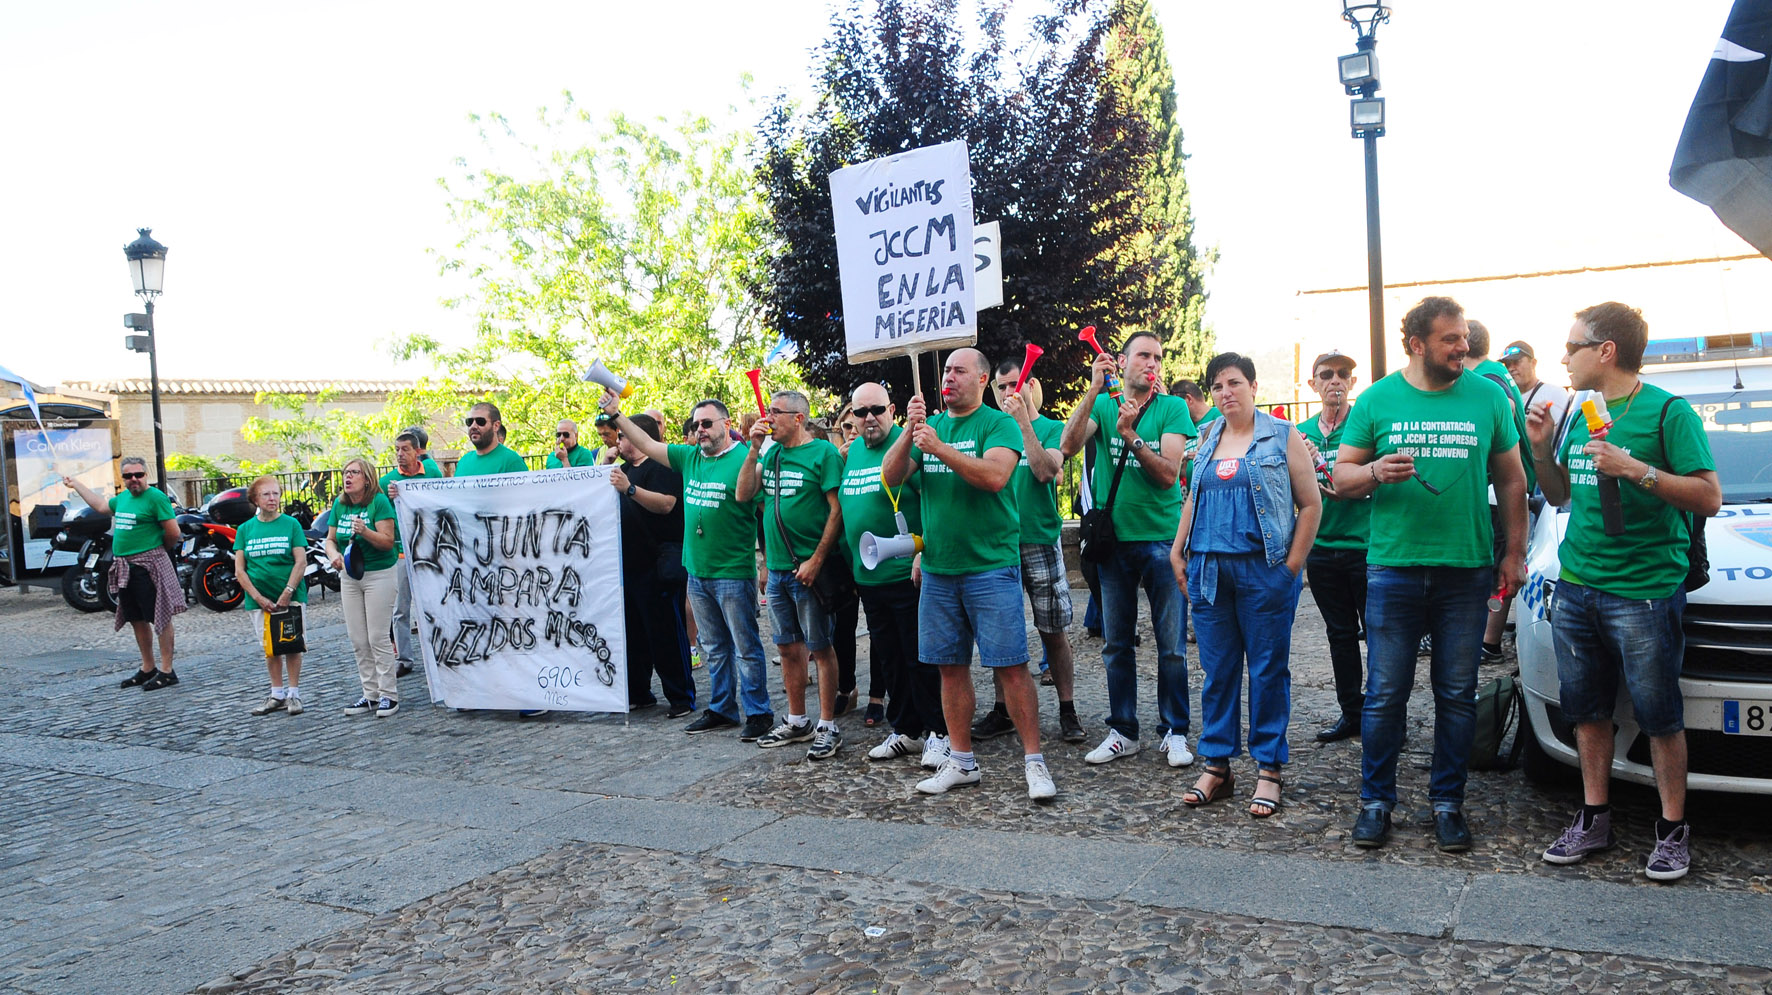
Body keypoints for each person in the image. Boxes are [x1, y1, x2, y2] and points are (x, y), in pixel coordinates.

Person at [1528, 302, 1719, 882]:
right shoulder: (1577, 412)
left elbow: (1709, 497)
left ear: (1605, 350)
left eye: (1573, 346)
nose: (1564, 357)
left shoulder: (1668, 412)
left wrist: (1634, 468)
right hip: (1579, 586)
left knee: (1660, 715)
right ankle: (1594, 816)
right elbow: (1561, 492)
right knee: (1587, 711)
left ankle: (1671, 829)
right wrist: (1539, 447)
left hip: (1645, 593)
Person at [1333, 296, 1528, 852]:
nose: (1462, 346)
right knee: (1385, 693)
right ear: (1418, 344)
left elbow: (1513, 482)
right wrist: (1372, 470)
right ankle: (1376, 802)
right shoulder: (1377, 399)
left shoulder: (1489, 397)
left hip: (1465, 572)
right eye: (1450, 339)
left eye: (1463, 336)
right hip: (1393, 568)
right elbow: (1342, 478)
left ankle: (1448, 803)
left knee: (1457, 693)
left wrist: (1513, 553)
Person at [884, 347, 1057, 801]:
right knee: (949, 669)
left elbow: (996, 476)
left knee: (1012, 669)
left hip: (990, 567)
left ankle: (1034, 763)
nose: (949, 377)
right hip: (940, 570)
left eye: (959, 370)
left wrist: (938, 447)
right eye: (945, 370)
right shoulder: (931, 426)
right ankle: (961, 761)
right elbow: (891, 476)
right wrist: (908, 432)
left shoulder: (998, 424)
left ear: (982, 380)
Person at [1169, 353, 1320, 816]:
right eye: (1216, 386)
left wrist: (1290, 569)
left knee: (1268, 671)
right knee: (1217, 672)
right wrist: (1178, 550)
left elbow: (1311, 505)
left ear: (1253, 386)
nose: (1225, 393)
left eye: (1233, 383)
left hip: (1264, 570)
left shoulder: (1283, 435)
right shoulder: (1207, 436)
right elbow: (1194, 496)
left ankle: (1269, 769)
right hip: (1210, 571)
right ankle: (1217, 766)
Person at [1059, 330, 1198, 769]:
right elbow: (1067, 446)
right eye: (1143, 356)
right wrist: (1092, 390)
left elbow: (1167, 474)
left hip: (1162, 541)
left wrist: (1131, 436)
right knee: (1116, 643)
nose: (1152, 364)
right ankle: (1123, 731)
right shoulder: (1102, 402)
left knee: (1171, 645)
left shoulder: (1172, 408)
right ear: (1122, 361)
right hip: (1115, 544)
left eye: (1158, 357)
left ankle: (1174, 731)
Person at [605, 392, 772, 739]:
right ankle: (723, 709)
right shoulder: (690, 457)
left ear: (726, 425)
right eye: (696, 425)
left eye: (707, 424)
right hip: (696, 571)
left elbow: (761, 512)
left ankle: (758, 712)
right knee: (713, 647)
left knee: (745, 647)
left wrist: (768, 562)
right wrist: (617, 415)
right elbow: (648, 444)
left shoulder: (746, 458)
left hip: (732, 572)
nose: (701, 431)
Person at [972, 353, 1085, 745]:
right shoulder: (988, 431)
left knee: (1053, 629)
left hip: (1039, 540)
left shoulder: (1053, 429)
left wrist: (1022, 422)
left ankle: (1068, 709)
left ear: (1032, 385)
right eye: (1001, 387)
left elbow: (1045, 471)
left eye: (1015, 384)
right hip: (997, 544)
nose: (1008, 392)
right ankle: (1002, 710)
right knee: (1001, 633)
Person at [839, 382, 949, 767]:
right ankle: (905, 728)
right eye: (861, 412)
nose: (869, 418)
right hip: (869, 578)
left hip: (906, 572)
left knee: (920, 657)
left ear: (892, 410)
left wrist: (924, 550)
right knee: (889, 659)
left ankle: (939, 731)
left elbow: (934, 501)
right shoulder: (851, 451)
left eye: (877, 410)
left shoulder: (906, 446)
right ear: (851, 417)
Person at [737, 390, 848, 760]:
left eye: (776, 413)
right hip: (781, 570)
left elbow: (837, 510)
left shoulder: (823, 454)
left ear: (798, 418)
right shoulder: (772, 456)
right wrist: (753, 449)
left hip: (809, 571)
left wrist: (817, 559)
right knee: (786, 647)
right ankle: (798, 719)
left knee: (819, 647)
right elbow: (745, 496)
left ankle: (828, 725)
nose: (768, 418)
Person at [1298, 351, 1371, 742]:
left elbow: (1377, 479)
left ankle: (1384, 716)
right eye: (1327, 375)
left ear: (1352, 383)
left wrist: (1349, 489)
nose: (1336, 381)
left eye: (1344, 374)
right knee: (1339, 635)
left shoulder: (1364, 426)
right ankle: (1352, 713)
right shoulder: (1302, 431)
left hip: (1366, 546)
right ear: (1314, 384)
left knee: (1379, 635)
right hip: (1322, 548)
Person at [64, 458, 185, 689]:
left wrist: (156, 553)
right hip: (126, 566)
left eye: (138, 475)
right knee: (136, 618)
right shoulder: (123, 498)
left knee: (159, 617)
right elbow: (100, 506)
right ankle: (148, 667)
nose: (134, 480)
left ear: (145, 474)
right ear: (123, 479)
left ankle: (167, 670)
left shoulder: (156, 498)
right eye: (128, 476)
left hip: (148, 565)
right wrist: (76, 484)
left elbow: (172, 532)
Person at [609, 413, 696, 718]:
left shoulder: (662, 466)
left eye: (621, 436)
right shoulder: (619, 470)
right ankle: (639, 692)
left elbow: (667, 503)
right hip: (628, 566)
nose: (617, 441)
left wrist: (630, 489)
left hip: (657, 564)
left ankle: (681, 696)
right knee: (633, 634)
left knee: (665, 634)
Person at [1463, 320, 1537, 666]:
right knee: (1499, 564)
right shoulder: (1497, 373)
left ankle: (1488, 642)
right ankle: (1486, 638)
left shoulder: (1487, 379)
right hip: (1508, 486)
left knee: (1497, 567)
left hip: (1499, 489)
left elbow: (1503, 414)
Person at [327, 457, 401, 717]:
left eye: (354, 473)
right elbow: (331, 539)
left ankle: (388, 695)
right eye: (346, 472)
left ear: (367, 479)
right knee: (358, 638)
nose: (348, 477)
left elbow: (388, 541)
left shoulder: (378, 503)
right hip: (350, 576)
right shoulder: (340, 504)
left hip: (379, 574)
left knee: (377, 636)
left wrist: (366, 531)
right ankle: (369, 694)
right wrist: (332, 555)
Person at [234, 475, 310, 715]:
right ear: (255, 498)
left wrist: (288, 591)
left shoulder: (291, 525)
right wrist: (258, 597)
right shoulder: (245, 529)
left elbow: (300, 560)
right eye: (266, 494)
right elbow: (240, 570)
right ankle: (276, 693)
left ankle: (294, 694)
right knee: (270, 647)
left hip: (290, 596)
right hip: (260, 600)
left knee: (292, 643)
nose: (272, 498)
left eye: (276, 493)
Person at [380, 430, 440, 677]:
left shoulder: (433, 474)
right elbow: (382, 515)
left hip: (429, 550)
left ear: (418, 452)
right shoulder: (387, 482)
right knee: (400, 609)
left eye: (405, 449)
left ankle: (439, 652)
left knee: (434, 605)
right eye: (396, 450)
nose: (400, 455)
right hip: (402, 553)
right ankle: (404, 658)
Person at [455, 403, 528, 475]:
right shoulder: (463, 462)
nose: (473, 426)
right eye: (470, 422)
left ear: (496, 426)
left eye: (480, 421)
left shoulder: (511, 462)